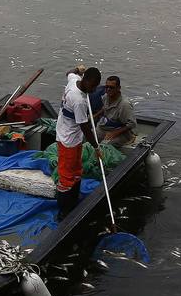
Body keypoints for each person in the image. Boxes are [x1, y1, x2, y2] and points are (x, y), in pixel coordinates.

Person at [55, 64, 101, 219]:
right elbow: (85, 127)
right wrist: (96, 146)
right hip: (68, 140)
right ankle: (63, 211)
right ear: (86, 81)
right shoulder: (79, 101)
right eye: (93, 86)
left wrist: (77, 69)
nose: (94, 90)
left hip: (74, 138)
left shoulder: (74, 79)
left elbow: (69, 72)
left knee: (76, 171)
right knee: (66, 178)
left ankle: (74, 199)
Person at [97, 76, 136, 147]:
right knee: (88, 136)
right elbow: (104, 108)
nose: (108, 89)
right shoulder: (106, 97)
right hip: (105, 128)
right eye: (107, 87)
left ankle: (130, 138)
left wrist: (114, 133)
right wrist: (94, 116)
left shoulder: (125, 105)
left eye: (111, 87)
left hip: (121, 133)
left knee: (105, 145)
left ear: (118, 88)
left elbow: (132, 124)